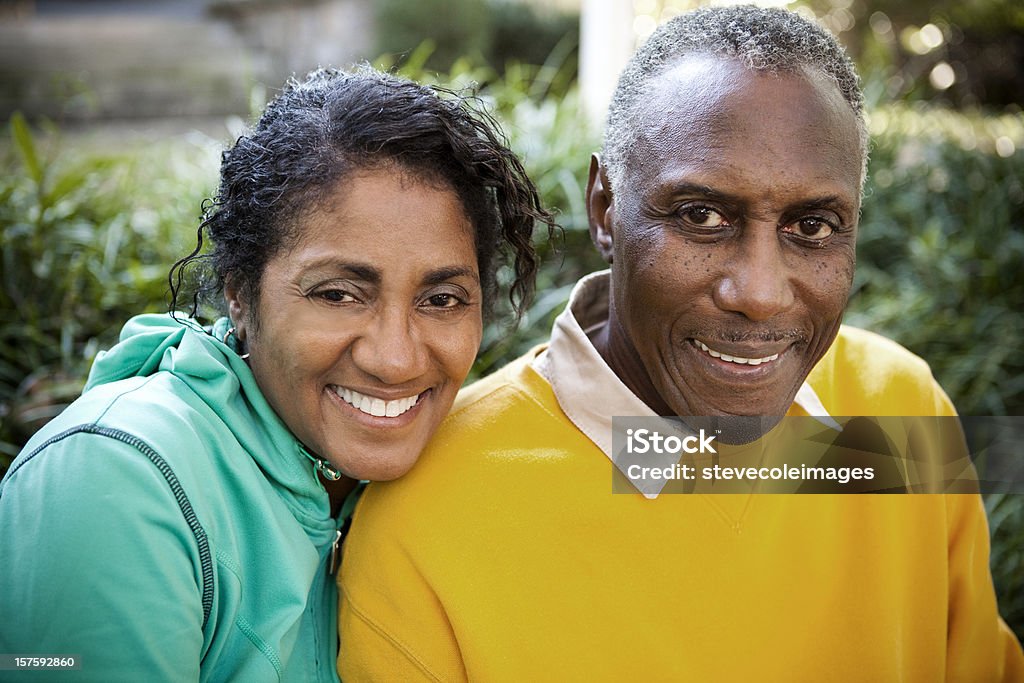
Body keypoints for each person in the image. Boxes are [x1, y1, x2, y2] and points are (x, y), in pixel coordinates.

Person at [337, 7, 1024, 681]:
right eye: (701, 215)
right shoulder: (428, 522)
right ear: (605, 208)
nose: (759, 292)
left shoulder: (903, 416)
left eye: (812, 226)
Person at [0, 66, 552, 681]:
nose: (396, 359)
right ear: (240, 292)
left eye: (442, 300)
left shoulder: (491, 447)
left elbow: (669, 464)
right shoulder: (114, 479)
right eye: (339, 294)